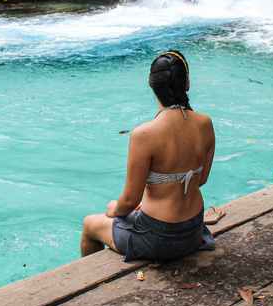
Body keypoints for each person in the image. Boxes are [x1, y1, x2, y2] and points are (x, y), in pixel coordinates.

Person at [80, 50, 217, 261]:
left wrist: (113, 209)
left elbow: (129, 200)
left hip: (158, 237)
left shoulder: (145, 134)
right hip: (193, 230)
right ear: (187, 83)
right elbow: (202, 180)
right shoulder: (205, 123)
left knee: (90, 223)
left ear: (152, 85)